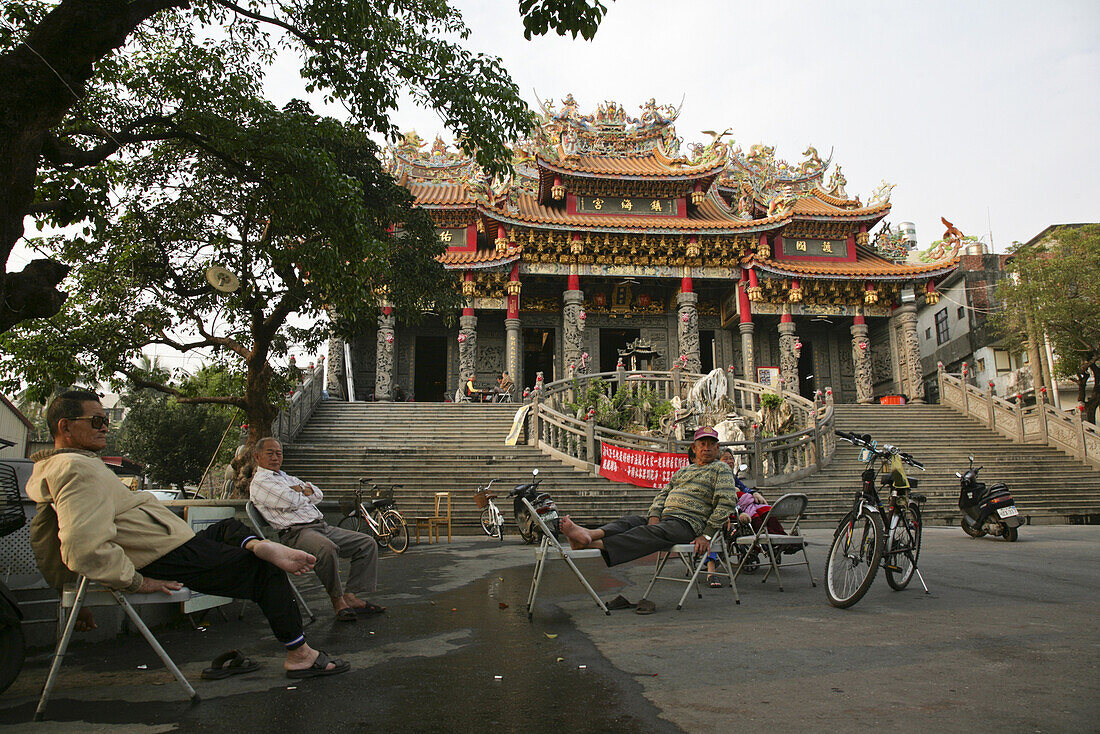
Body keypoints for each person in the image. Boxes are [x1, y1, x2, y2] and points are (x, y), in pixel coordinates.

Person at [26, 390, 349, 679]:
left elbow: (59, 540)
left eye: (105, 419)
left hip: (172, 542)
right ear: (65, 427)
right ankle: (300, 655)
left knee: (227, 526)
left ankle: (260, 546)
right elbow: (81, 546)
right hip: (163, 556)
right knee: (265, 573)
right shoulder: (75, 469)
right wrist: (138, 582)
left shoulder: (74, 464)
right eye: (96, 420)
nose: (105, 427)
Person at [559, 427, 738, 613]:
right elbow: (663, 495)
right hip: (666, 519)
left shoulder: (721, 469)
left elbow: (726, 502)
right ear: (694, 447)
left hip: (689, 524)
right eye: (702, 444)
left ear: (717, 449)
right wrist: (654, 516)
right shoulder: (683, 471)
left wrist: (707, 536)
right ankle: (590, 534)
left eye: (711, 445)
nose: (706, 448)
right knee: (631, 521)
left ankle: (588, 544)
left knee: (648, 532)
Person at [250, 438, 384, 622]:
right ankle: (337, 601)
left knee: (366, 543)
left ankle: (351, 596)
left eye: (278, 453)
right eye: (270, 453)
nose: (275, 457)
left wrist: (299, 491)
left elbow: (318, 494)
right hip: (296, 533)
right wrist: (303, 492)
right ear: (257, 456)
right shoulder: (260, 482)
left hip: (321, 526)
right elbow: (289, 501)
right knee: (326, 548)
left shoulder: (286, 477)